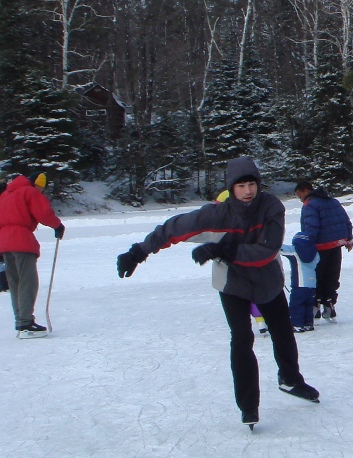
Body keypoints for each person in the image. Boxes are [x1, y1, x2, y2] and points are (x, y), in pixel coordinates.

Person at [115, 157, 319, 428]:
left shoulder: (270, 206)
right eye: (241, 186)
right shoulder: (217, 214)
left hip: (267, 280)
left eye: (252, 184)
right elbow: (174, 227)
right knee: (242, 339)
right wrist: (138, 252)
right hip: (232, 283)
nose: (248, 191)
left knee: (282, 332)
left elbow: (267, 250)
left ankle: (290, 379)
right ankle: (248, 406)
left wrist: (222, 249)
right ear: (231, 188)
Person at [0, 172, 65, 338]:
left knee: (14, 282)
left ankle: (20, 321)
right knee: (27, 282)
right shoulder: (29, 192)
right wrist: (57, 225)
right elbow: (43, 212)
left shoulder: (6, 194)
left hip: (4, 243)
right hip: (21, 240)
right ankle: (26, 323)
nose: (40, 191)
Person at [294, 181, 353, 321]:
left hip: (320, 247)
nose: (300, 199)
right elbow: (346, 221)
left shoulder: (310, 205)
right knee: (332, 275)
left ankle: (316, 304)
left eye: (300, 196)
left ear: (306, 190)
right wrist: (349, 239)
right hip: (336, 245)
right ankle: (329, 302)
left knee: (317, 276)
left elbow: (311, 227)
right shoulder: (333, 202)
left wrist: (307, 243)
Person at [280, 231, 319, 332]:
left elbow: (280, 248)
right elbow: (318, 261)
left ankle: (297, 324)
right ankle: (308, 324)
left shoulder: (294, 250)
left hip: (299, 283)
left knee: (297, 304)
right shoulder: (315, 253)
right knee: (308, 305)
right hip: (312, 284)